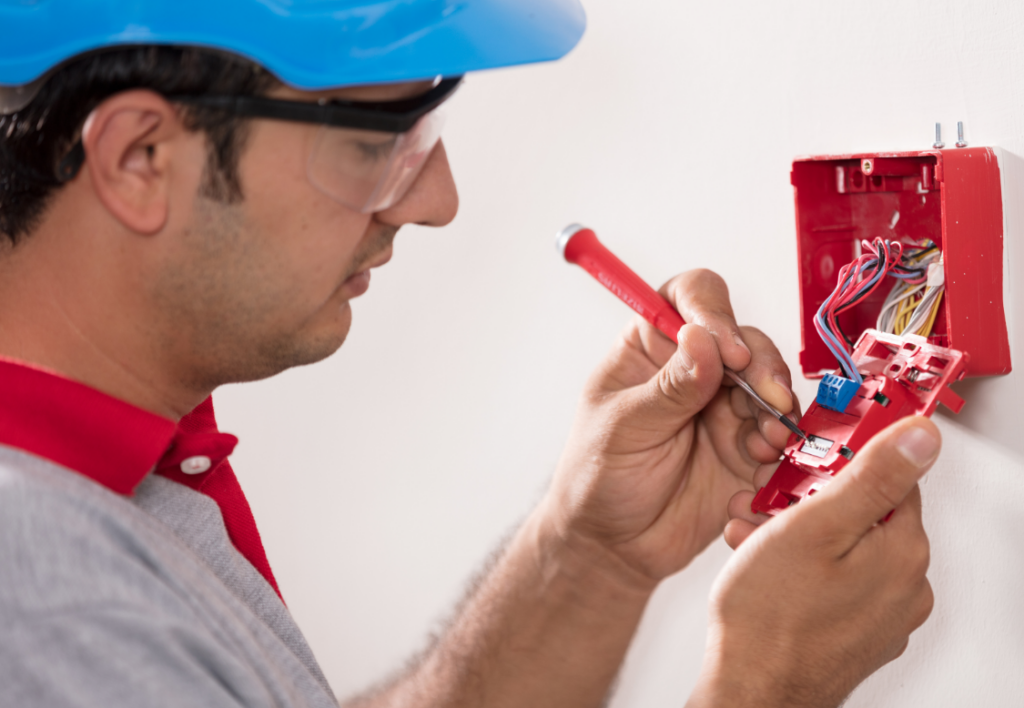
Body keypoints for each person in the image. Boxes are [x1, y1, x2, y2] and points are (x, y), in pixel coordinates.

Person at [0, 1, 937, 706]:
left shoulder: (124, 481)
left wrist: (592, 556)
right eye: (385, 139)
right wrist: (762, 686)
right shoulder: (40, 601)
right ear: (139, 159)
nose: (435, 200)